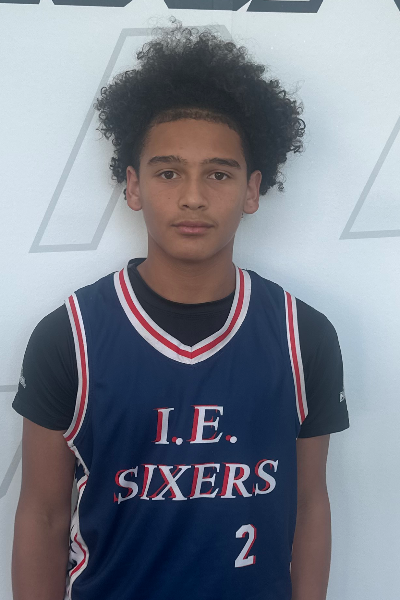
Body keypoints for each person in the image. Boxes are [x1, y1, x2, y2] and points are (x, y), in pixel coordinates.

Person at [11, 17, 350, 600]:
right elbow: (42, 514)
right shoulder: (69, 335)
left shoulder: (304, 336)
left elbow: (309, 505)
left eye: (218, 174)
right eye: (169, 172)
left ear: (251, 190)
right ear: (133, 186)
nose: (193, 196)